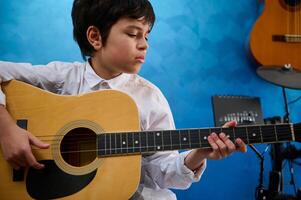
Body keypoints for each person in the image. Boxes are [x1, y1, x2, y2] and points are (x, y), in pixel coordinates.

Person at [0, 0, 247, 199]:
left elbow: (161, 172)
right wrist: (7, 128)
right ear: (95, 37)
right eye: (133, 34)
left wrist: (198, 154)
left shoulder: (149, 97)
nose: (144, 45)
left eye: (147, 36)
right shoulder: (62, 78)